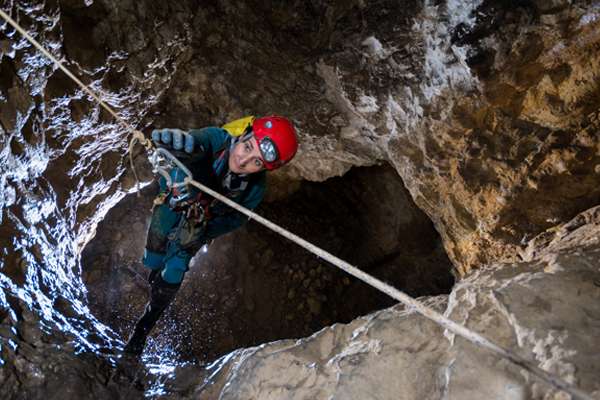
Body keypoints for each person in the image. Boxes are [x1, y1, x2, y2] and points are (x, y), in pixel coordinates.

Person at [123, 115, 298, 355]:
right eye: (247, 147)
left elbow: (234, 220)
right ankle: (153, 273)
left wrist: (205, 224)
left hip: (199, 223)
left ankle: (142, 329)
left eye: (256, 162)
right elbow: (196, 143)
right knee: (154, 249)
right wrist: (181, 160)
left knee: (176, 266)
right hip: (173, 204)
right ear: (243, 134)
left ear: (264, 168)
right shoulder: (217, 139)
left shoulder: (254, 189)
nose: (243, 160)